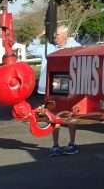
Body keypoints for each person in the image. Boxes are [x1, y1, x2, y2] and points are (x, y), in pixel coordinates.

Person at [28, 25, 80, 156]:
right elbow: (30, 49)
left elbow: (83, 56)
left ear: (64, 35)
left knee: (70, 116)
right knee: (54, 116)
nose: (55, 37)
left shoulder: (74, 47)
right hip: (50, 89)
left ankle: (72, 144)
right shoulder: (49, 48)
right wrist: (40, 35)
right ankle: (55, 145)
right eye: (54, 35)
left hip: (69, 89)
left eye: (57, 35)